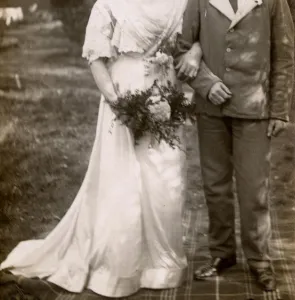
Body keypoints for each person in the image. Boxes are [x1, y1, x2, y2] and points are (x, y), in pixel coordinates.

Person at [0, 0, 202, 298]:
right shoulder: (110, 3)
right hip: (124, 91)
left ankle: (161, 266)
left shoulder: (181, 2)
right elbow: (96, 56)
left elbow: (198, 35)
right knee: (124, 179)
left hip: (164, 87)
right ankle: (121, 268)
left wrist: (195, 51)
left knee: (166, 177)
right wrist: (118, 102)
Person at [176, 0, 295, 292]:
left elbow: (284, 56)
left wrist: (279, 109)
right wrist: (205, 84)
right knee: (215, 186)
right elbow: (181, 49)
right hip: (211, 109)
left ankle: (259, 261)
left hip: (254, 107)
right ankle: (222, 254)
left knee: (254, 188)